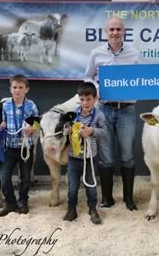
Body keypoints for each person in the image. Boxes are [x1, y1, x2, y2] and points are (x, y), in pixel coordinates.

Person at [84, 16, 140, 211]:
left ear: (123, 31)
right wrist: (96, 88)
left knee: (127, 156)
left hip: (127, 110)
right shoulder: (96, 53)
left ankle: (128, 198)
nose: (115, 32)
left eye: (118, 29)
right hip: (103, 111)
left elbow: (144, 79)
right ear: (106, 32)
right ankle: (107, 198)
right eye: (112, 29)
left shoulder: (134, 53)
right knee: (106, 157)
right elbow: (88, 77)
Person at [63, 82, 106, 224]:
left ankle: (93, 209)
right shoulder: (72, 114)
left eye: (88, 99)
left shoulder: (99, 115)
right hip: (73, 157)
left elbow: (104, 132)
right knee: (73, 185)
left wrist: (91, 131)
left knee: (91, 185)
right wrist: (67, 131)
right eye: (82, 99)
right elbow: (65, 128)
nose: (85, 102)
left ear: (95, 99)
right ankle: (71, 209)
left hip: (90, 157)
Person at [0, 74, 39, 217]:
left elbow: (37, 123)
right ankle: (10, 203)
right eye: (14, 87)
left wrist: (31, 129)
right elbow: (4, 121)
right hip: (10, 147)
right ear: (10, 89)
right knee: (4, 176)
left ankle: (23, 202)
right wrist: (2, 126)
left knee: (25, 178)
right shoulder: (6, 105)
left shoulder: (31, 105)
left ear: (26, 89)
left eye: (21, 87)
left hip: (25, 147)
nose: (17, 90)